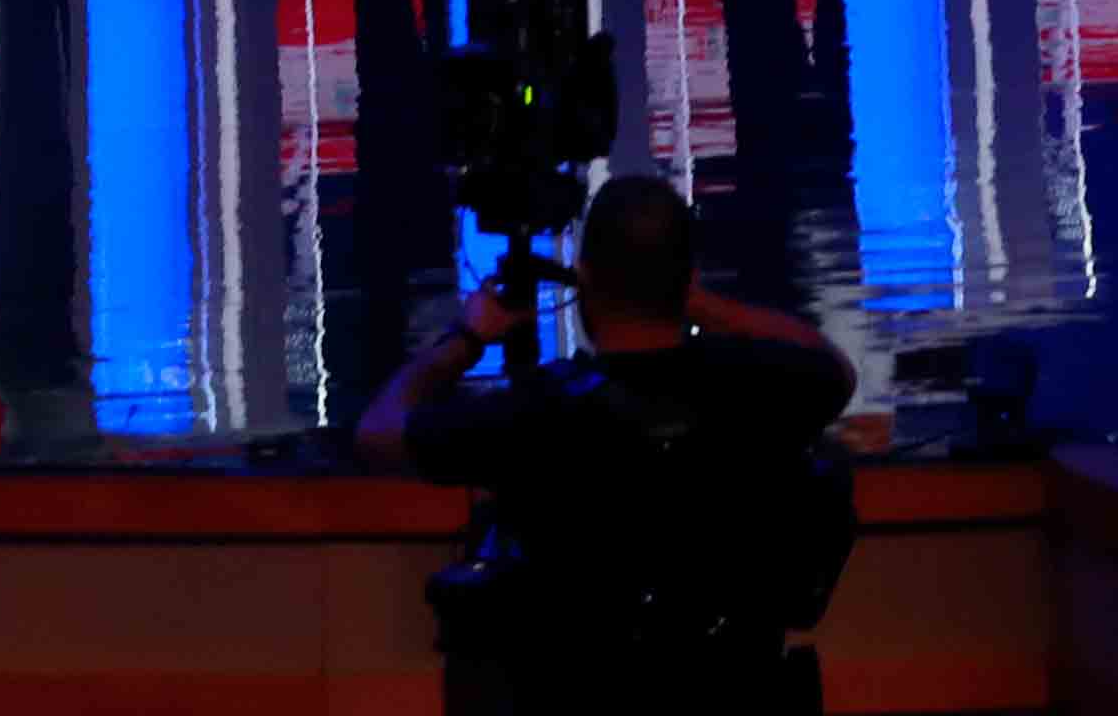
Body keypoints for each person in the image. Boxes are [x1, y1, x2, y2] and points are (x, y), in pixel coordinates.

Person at [363, 172, 856, 715]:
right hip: (734, 691)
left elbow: (380, 433)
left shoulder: (537, 411)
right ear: (686, 280)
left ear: (587, 281)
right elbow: (833, 368)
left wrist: (467, 338)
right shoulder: (754, 390)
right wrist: (704, 305)